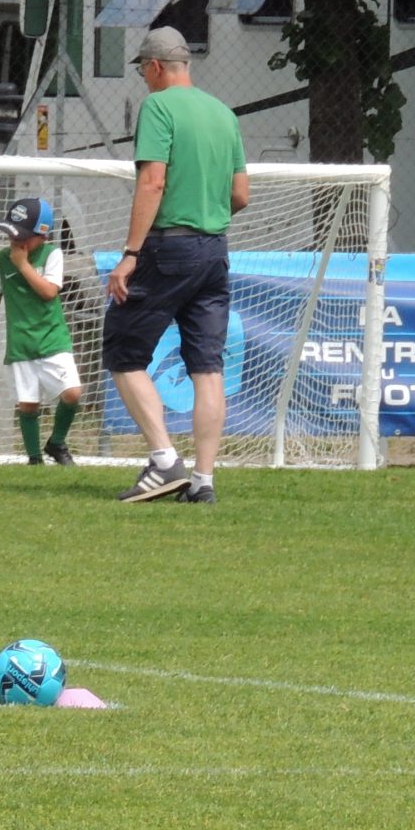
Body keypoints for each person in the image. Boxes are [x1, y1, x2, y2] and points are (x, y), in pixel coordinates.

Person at [102, 25, 248, 505]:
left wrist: (130, 254)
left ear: (155, 66)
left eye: (143, 71)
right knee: (207, 368)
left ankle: (164, 461)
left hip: (169, 248)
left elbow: (152, 183)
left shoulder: (158, 107)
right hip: (214, 251)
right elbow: (240, 194)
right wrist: (206, 210)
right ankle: (204, 481)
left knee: (123, 351)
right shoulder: (223, 113)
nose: (144, 80)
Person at [0, 196, 80, 465]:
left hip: (53, 339)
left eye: (21, 236)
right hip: (21, 343)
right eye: (10, 234)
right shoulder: (1, 259)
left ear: (42, 235)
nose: (14, 241)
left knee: (72, 393)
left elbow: (49, 292)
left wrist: (22, 264)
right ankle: (34, 459)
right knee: (28, 403)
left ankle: (56, 442)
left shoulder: (52, 255)